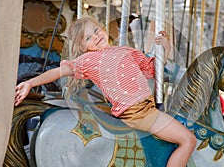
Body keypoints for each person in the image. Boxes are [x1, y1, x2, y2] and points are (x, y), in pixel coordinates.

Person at [15, 16, 196, 166]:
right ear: (83, 48)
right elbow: (60, 71)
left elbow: (152, 68)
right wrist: (31, 83)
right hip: (139, 112)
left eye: (96, 30)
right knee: (188, 140)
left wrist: (165, 48)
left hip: (145, 108)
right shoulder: (89, 60)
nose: (95, 37)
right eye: (88, 38)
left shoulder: (126, 51)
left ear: (103, 29)